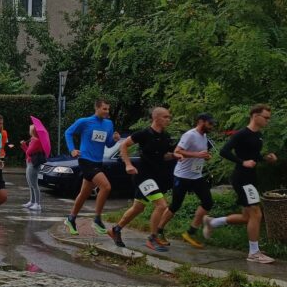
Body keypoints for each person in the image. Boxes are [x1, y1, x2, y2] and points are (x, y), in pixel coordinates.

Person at [203, 104, 278, 264]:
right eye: (265, 117)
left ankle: (212, 222)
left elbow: (254, 156)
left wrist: (266, 158)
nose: (267, 121)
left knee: (246, 217)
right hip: (242, 178)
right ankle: (254, 253)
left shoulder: (258, 136)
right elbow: (224, 151)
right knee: (256, 213)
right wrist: (242, 162)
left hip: (251, 177)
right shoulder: (242, 134)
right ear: (255, 116)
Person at [107, 108, 179, 251]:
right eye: (165, 117)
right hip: (143, 176)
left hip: (155, 177)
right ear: (156, 118)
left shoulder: (166, 136)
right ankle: (152, 238)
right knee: (162, 205)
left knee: (138, 208)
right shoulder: (144, 134)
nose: (168, 120)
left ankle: (116, 229)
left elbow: (164, 156)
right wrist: (128, 164)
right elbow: (124, 145)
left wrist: (176, 156)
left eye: (169, 117)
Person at [156, 113, 216, 249]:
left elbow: (200, 154)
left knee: (208, 202)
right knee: (175, 206)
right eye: (210, 124)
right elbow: (178, 151)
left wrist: (206, 156)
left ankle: (190, 232)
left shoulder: (204, 136)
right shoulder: (190, 135)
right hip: (182, 176)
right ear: (201, 121)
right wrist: (197, 155)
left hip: (196, 176)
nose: (212, 126)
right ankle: (158, 231)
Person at [63, 99, 121, 236]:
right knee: (106, 187)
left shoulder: (108, 124)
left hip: (97, 161)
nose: (107, 112)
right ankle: (97, 219)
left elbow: (108, 144)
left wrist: (115, 140)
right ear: (97, 108)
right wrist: (72, 150)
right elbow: (68, 132)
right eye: (104, 109)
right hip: (85, 160)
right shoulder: (85, 121)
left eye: (108, 109)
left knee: (84, 193)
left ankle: (71, 219)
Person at [21, 124, 46, 211]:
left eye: (30, 129)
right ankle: (32, 201)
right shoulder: (33, 140)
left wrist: (24, 145)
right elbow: (28, 152)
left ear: (32, 131)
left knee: (34, 184)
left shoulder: (36, 141)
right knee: (30, 184)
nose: (29, 130)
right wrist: (25, 145)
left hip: (33, 164)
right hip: (29, 162)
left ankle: (37, 204)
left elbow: (28, 151)